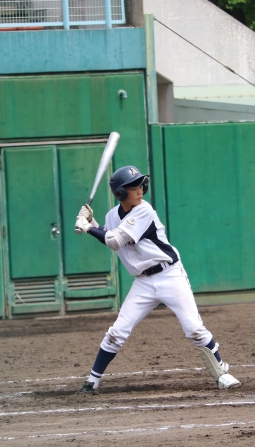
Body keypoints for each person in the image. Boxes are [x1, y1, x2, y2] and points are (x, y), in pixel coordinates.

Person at [73, 166, 241, 393]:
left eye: (141, 185)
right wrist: (93, 224)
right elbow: (109, 235)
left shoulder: (144, 210)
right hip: (143, 282)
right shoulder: (112, 216)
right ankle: (92, 382)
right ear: (120, 193)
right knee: (117, 332)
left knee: (194, 329)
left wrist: (87, 228)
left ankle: (222, 374)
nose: (140, 190)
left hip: (170, 275)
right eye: (133, 187)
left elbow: (115, 241)